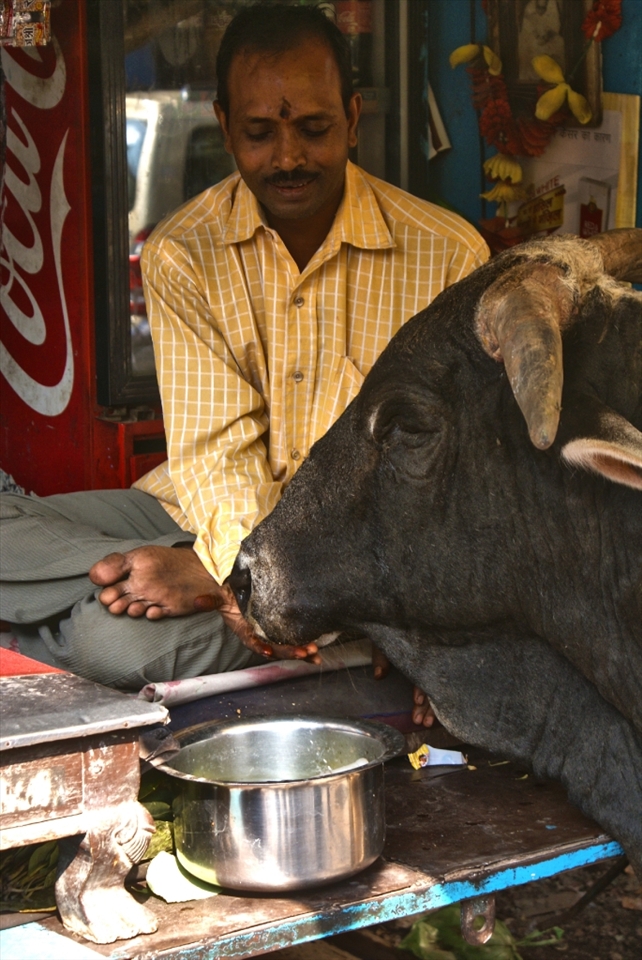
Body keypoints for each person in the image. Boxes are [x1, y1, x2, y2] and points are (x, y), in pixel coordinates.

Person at [0, 5, 488, 720]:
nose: (288, 156)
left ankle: (256, 606)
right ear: (226, 127)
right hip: (195, 517)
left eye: (314, 129)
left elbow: (452, 485)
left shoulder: (449, 255)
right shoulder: (182, 252)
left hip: (358, 558)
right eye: (260, 133)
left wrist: (278, 584)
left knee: (115, 647)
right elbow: (215, 453)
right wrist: (224, 567)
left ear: (354, 118)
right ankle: (264, 609)